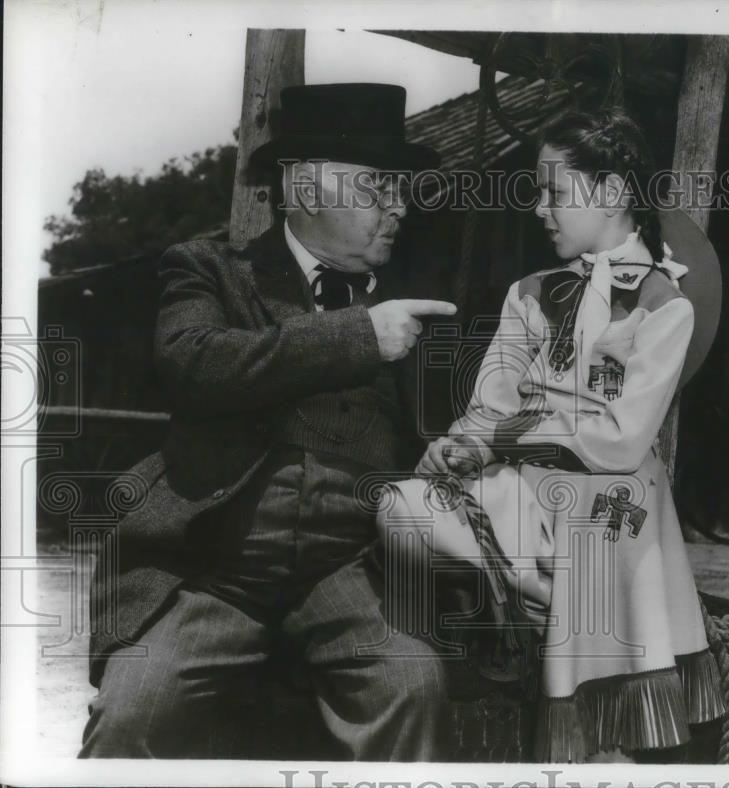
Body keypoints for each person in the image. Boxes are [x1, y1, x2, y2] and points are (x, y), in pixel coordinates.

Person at [81, 83, 457, 760]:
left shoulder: (424, 297)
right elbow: (193, 364)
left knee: (413, 684)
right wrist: (359, 338)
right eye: (378, 187)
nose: (399, 206)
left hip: (347, 570)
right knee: (131, 710)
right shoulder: (211, 271)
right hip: (216, 569)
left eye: (401, 188)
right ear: (307, 191)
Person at [376, 108, 726, 763]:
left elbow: (616, 441)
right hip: (526, 490)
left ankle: (560, 619)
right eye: (539, 192)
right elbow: (490, 403)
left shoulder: (662, 306)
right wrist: (461, 444)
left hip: (610, 501)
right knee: (398, 508)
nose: (540, 209)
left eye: (555, 192)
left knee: (595, 531)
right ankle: (538, 592)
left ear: (613, 194)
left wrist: (502, 436)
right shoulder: (529, 293)